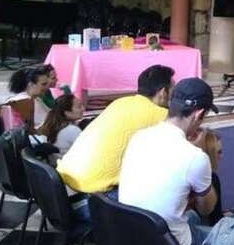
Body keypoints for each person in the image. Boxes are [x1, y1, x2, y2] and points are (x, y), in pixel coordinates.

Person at [119, 78, 219, 245]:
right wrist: (204, 161)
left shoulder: (138, 137)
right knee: (227, 241)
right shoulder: (195, 157)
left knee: (191, 217)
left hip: (129, 241)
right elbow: (206, 209)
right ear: (198, 114)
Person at [57, 65, 174, 195]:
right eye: (173, 90)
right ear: (163, 92)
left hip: (65, 179)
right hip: (94, 192)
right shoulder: (162, 115)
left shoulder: (119, 102)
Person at [192, 128, 226, 225]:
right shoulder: (211, 179)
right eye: (219, 152)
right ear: (209, 153)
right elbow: (215, 220)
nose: (222, 156)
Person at [7, 66, 53, 130]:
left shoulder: (35, 99)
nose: (47, 87)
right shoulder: (26, 101)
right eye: (43, 84)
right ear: (30, 84)